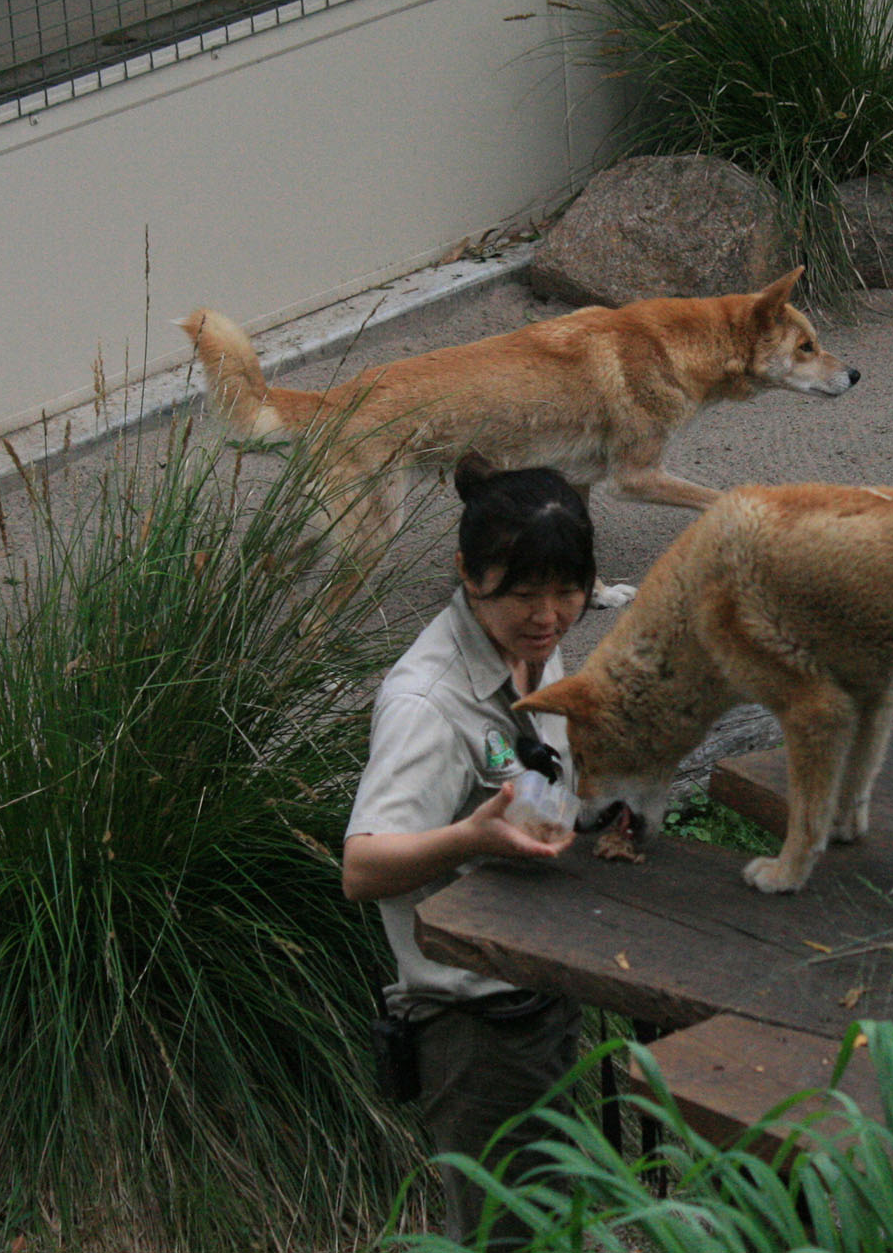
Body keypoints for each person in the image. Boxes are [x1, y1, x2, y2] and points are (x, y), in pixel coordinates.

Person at [342, 459, 593, 1248]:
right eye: (524, 593)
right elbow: (362, 865)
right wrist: (471, 837)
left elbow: (539, 781)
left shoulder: (533, 647)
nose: (548, 616)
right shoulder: (427, 701)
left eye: (568, 590)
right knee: (507, 1235)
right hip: (478, 1027)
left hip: (545, 990)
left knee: (550, 1218)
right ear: (466, 573)